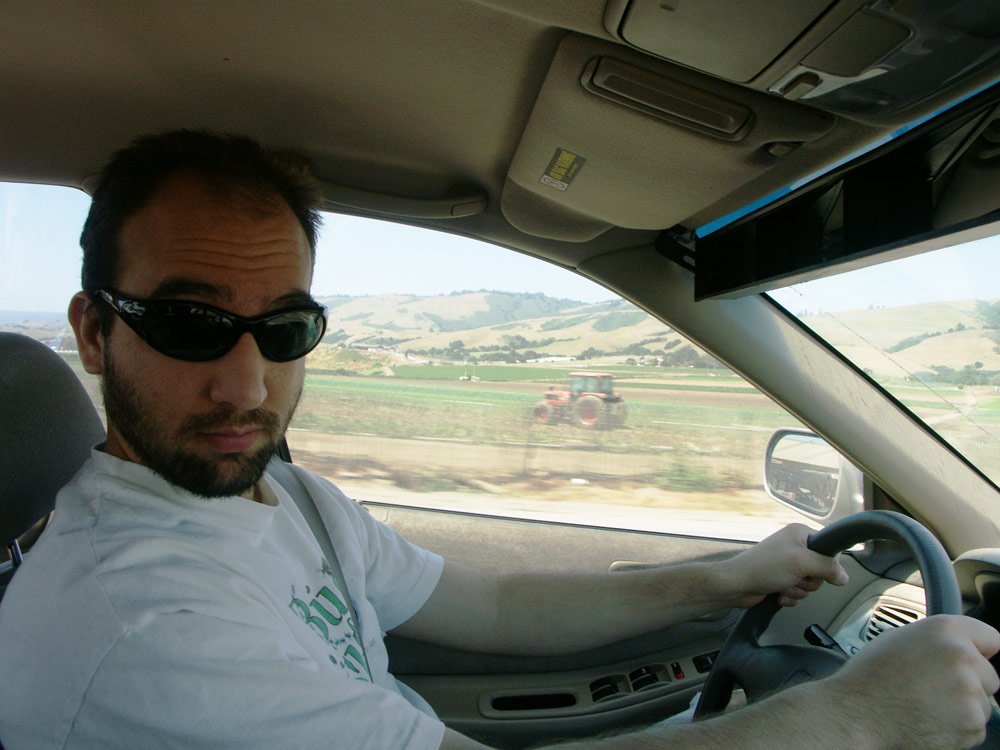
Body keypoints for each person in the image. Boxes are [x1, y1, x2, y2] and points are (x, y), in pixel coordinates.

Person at [0, 130, 996, 750]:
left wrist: (724, 579)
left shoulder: (283, 496)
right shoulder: (137, 624)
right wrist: (853, 719)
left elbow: (493, 603)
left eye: (287, 328)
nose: (249, 384)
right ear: (92, 333)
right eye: (190, 323)